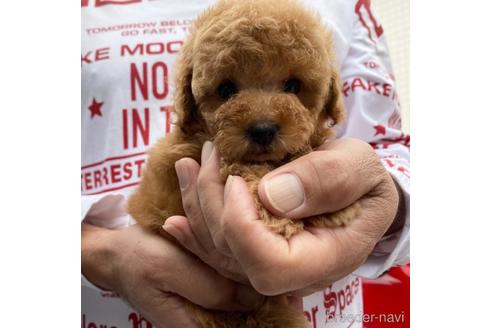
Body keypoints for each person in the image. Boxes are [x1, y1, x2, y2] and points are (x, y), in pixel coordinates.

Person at [81, 1, 410, 327]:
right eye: (226, 90)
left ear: (329, 94)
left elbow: (389, 147)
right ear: (187, 97)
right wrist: (100, 253)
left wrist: (385, 202)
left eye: (292, 86)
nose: (263, 121)